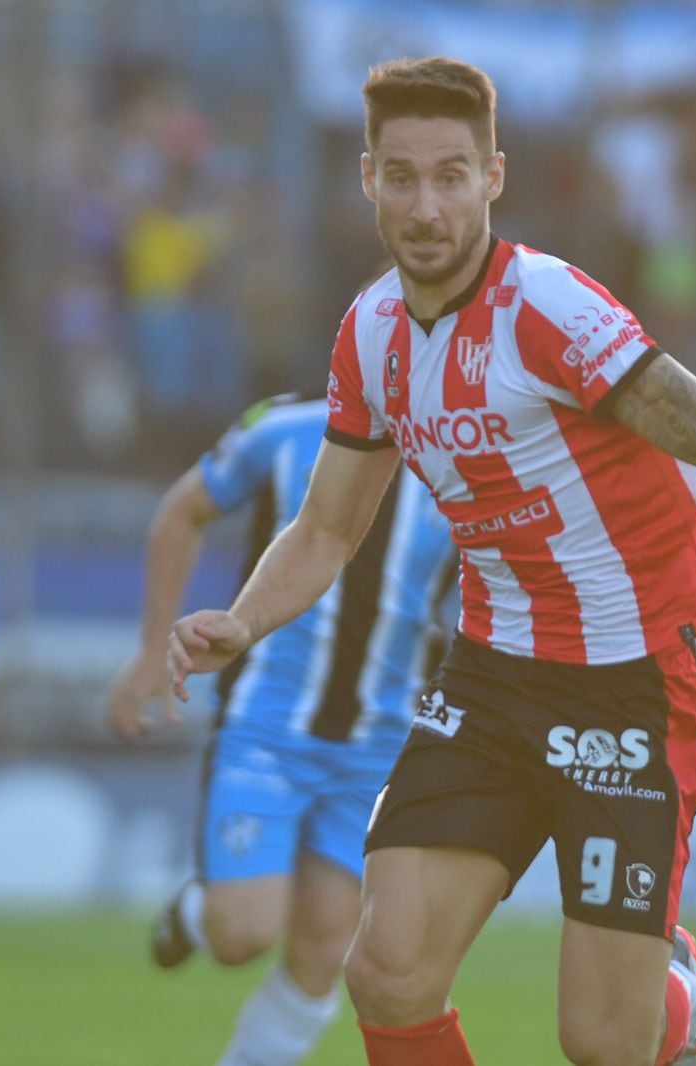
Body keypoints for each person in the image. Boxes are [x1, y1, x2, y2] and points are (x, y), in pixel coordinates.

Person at [168, 57, 696, 1066]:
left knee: (601, 1043)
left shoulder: (548, 312)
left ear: (493, 177)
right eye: (403, 176)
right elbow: (327, 529)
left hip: (630, 683)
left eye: (451, 176)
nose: (427, 205)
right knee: (387, 970)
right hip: (493, 678)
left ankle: (674, 999)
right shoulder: (369, 337)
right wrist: (241, 621)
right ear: (368, 179)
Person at [106, 393, 455, 1066]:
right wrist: (154, 649)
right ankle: (197, 913)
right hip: (267, 727)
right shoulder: (286, 428)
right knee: (243, 932)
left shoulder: (469, 456)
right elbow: (184, 509)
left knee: (327, 945)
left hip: (378, 745)